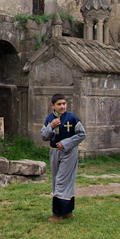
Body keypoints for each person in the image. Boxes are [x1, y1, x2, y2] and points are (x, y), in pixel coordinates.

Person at [41, 93, 86, 222]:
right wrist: (51, 127)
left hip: (69, 152)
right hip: (54, 152)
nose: (62, 106)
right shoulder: (50, 119)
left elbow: (82, 134)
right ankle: (68, 211)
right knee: (57, 180)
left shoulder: (72, 118)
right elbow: (44, 136)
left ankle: (58, 214)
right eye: (59, 104)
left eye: (64, 104)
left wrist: (66, 143)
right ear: (53, 106)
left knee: (62, 180)